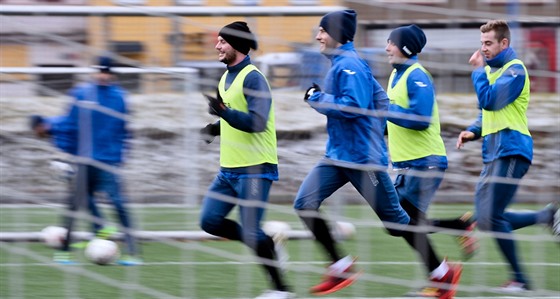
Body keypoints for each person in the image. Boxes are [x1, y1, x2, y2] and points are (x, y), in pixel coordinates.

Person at [293, 10, 461, 298]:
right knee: (304, 203)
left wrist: (316, 98)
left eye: (322, 30)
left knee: (397, 223)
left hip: (362, 161)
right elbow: (379, 101)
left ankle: (442, 271)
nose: (318, 36)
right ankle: (340, 266)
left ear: (335, 33)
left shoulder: (349, 65)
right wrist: (378, 126)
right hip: (336, 156)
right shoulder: (344, 63)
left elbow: (352, 105)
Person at [459, 19, 559, 292]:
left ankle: (521, 280)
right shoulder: (493, 72)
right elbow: (487, 112)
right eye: (482, 43)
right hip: (493, 152)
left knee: (490, 215)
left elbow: (491, 100)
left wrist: (478, 72)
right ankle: (546, 216)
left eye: (489, 43)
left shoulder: (515, 71)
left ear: (505, 43)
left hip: (513, 149)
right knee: (487, 217)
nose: (484, 49)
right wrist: (472, 131)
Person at [198, 21, 293, 299]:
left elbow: (257, 122)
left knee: (251, 230)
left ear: (236, 45)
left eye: (222, 41)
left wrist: (223, 114)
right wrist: (214, 128)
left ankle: (281, 290)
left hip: (255, 169)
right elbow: (230, 114)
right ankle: (267, 243)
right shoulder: (225, 77)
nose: (217, 46)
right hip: (228, 170)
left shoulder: (254, 78)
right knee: (209, 221)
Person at [31, 56, 142, 266]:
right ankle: (64, 252)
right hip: (84, 159)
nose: (102, 75)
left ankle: (133, 253)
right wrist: (64, 150)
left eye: (107, 72)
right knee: (74, 204)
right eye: (99, 71)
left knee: (119, 204)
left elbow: (124, 130)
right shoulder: (80, 93)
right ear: (93, 71)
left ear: (112, 74)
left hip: (109, 161)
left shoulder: (120, 97)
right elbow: (70, 123)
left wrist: (121, 156)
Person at [385, 24, 468, 298]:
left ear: (406, 48)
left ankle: (442, 277)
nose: (387, 47)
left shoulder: (417, 75)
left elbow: (420, 120)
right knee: (400, 222)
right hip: (407, 165)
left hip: (425, 162)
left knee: (400, 221)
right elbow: (393, 120)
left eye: (392, 43)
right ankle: (457, 232)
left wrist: (385, 110)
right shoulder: (395, 76)